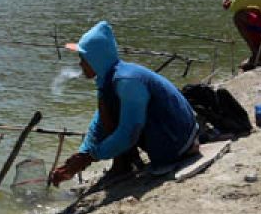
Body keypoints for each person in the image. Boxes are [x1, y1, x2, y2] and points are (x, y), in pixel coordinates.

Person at [50, 21, 200, 186]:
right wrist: (83, 153)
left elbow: (129, 132)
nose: (80, 64)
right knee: (108, 106)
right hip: (172, 134)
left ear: (96, 59)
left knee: (115, 113)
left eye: (83, 59)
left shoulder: (126, 81)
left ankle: (123, 164)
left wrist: (91, 157)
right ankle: (122, 163)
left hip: (178, 141)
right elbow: (99, 121)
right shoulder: (108, 79)